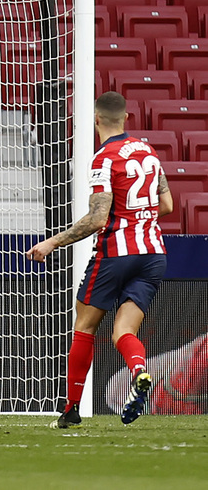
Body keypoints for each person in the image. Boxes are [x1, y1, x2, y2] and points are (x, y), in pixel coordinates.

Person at [27, 91, 172, 429]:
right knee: (123, 330)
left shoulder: (104, 159)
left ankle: (71, 409)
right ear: (126, 118)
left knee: (85, 326)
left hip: (115, 254)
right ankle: (139, 370)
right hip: (153, 254)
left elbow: (97, 219)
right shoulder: (148, 152)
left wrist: (51, 242)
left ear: (96, 120)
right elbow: (166, 205)